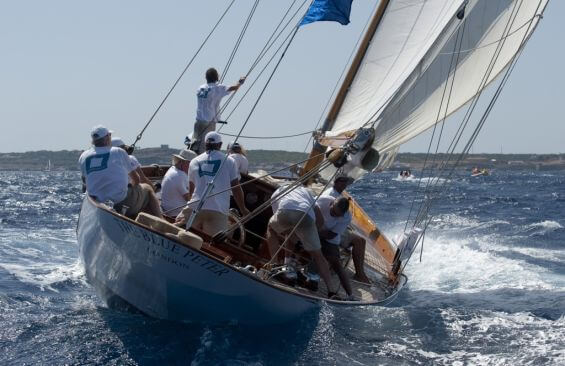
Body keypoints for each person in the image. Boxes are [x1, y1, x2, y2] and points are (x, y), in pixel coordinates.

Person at [267, 185, 340, 298]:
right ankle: (332, 291)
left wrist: (294, 235)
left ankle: (274, 266)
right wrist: (309, 238)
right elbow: (320, 220)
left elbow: (282, 227)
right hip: (307, 215)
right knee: (319, 256)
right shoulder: (307, 192)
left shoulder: (276, 193)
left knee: (271, 229)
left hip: (286, 210)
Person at [78, 125, 163, 219]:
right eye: (109, 135)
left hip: (98, 203)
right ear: (107, 137)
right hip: (121, 202)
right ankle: (161, 220)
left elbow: (85, 186)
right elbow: (137, 180)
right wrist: (129, 186)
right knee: (147, 188)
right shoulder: (119, 152)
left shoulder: (83, 156)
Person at [176, 131, 249, 236]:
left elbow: (191, 192)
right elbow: (236, 188)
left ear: (205, 144)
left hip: (195, 207)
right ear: (220, 145)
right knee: (215, 242)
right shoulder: (229, 161)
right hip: (218, 210)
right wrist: (243, 209)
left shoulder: (194, 161)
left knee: (178, 232)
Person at [323, 175, 371, 284]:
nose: (344, 184)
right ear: (336, 182)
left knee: (357, 237)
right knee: (360, 241)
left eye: (346, 182)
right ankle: (360, 274)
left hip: (332, 227)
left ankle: (359, 273)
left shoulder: (335, 193)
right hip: (329, 231)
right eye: (342, 182)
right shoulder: (331, 195)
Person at [190, 68, 245, 154]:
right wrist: (240, 82)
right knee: (206, 147)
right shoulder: (217, 88)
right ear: (216, 77)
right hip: (208, 122)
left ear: (206, 77)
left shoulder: (200, 88)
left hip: (198, 121)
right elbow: (233, 88)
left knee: (195, 145)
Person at [317, 196, 355, 300]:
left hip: (329, 236)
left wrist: (317, 234)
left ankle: (350, 295)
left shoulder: (346, 216)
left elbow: (331, 235)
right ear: (331, 204)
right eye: (333, 212)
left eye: (337, 215)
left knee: (336, 263)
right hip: (313, 227)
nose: (334, 215)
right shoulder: (322, 200)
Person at [160, 148, 197, 217]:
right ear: (183, 162)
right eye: (192, 164)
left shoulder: (173, 169)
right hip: (176, 215)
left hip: (168, 210)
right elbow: (190, 199)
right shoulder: (180, 176)